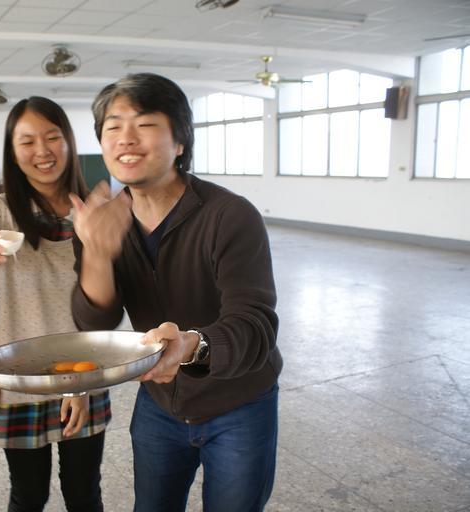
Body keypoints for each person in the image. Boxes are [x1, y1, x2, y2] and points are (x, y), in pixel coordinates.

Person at [70, 73, 282, 512]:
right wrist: (96, 253)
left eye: (145, 124)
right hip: (160, 403)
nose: (126, 138)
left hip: (238, 403)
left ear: (180, 141)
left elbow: (256, 325)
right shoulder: (102, 220)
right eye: (113, 127)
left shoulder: (229, 216)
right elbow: (95, 321)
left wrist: (190, 346)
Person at [0, 96, 109, 512]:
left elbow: (105, 306)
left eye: (52, 137)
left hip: (84, 373)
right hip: (19, 380)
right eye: (27, 141)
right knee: (28, 495)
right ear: (12, 152)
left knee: (84, 493)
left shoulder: (93, 211)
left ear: (69, 141)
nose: (42, 150)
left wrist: (81, 383)